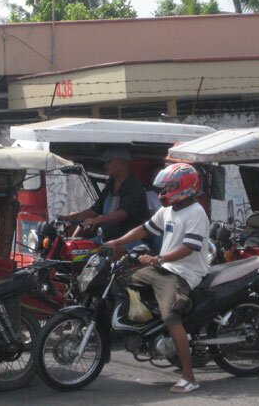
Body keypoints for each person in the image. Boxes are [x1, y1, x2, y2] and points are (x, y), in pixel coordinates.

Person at [104, 163, 210, 394]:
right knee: (121, 279)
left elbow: (188, 248)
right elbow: (143, 230)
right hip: (164, 266)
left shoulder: (196, 212)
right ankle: (148, 330)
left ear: (184, 186)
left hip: (183, 273)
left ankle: (189, 377)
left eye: (170, 186)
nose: (165, 190)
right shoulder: (168, 210)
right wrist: (118, 242)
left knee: (170, 316)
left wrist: (158, 258)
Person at [60, 148, 148, 243]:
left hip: (127, 242)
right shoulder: (110, 184)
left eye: (109, 162)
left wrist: (97, 220)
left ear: (121, 163)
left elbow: (122, 214)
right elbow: (95, 209)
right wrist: (69, 218)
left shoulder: (133, 186)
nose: (105, 165)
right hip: (106, 239)